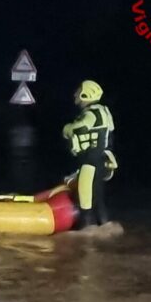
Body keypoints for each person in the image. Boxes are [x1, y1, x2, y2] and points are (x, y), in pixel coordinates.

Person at [62, 80, 116, 228]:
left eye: (79, 91)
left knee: (84, 202)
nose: (75, 94)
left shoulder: (91, 114)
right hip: (102, 162)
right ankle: (105, 229)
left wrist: (67, 128)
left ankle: (85, 237)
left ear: (86, 94)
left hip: (90, 163)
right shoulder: (105, 111)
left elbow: (78, 129)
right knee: (99, 201)